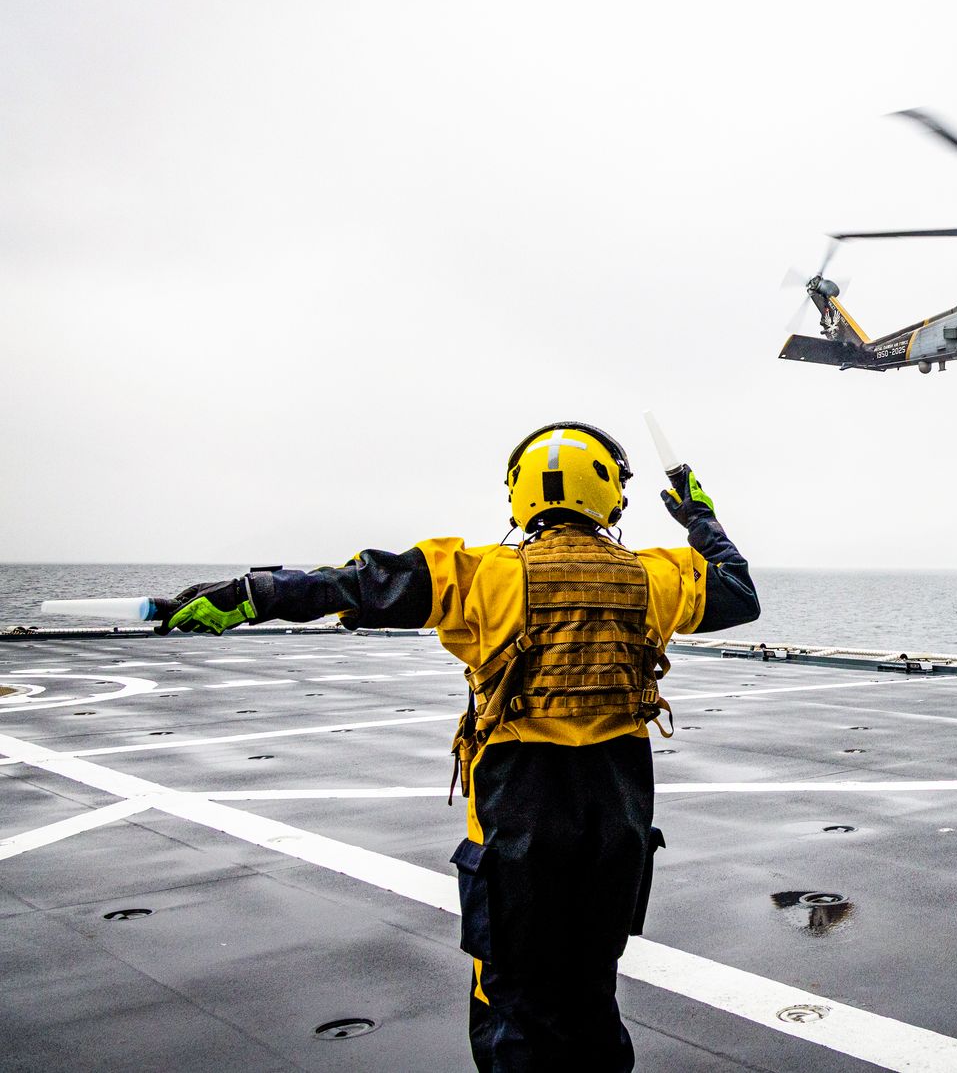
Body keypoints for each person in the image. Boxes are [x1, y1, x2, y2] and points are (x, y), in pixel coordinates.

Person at [163, 420, 759, 1072]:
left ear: (521, 495)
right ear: (611, 494)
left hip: (518, 827)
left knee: (512, 1008)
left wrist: (243, 597)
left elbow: (351, 584)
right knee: (592, 1000)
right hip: (612, 830)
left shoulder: (478, 575)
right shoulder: (659, 577)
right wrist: (698, 514)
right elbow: (737, 590)